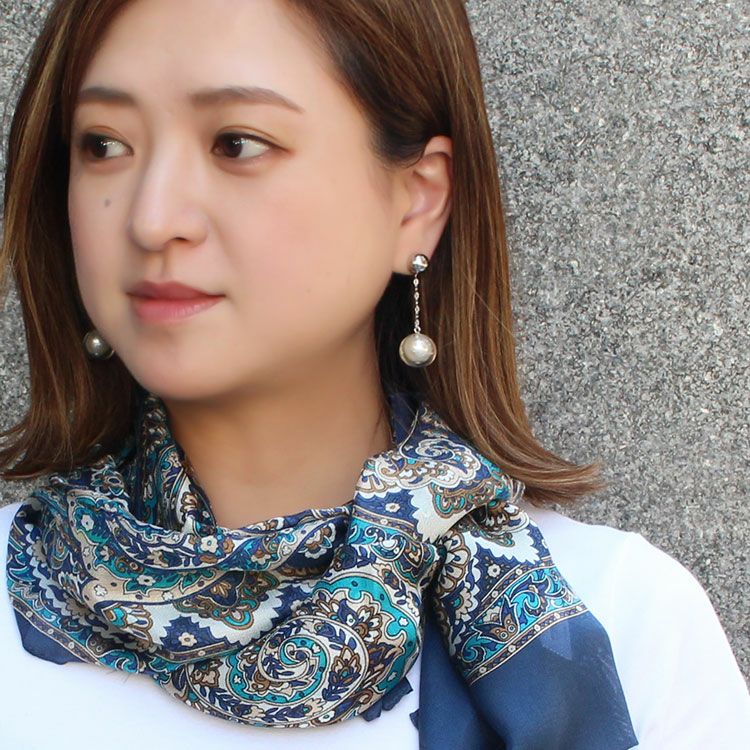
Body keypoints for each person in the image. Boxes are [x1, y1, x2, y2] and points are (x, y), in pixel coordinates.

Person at [0, 1, 748, 748]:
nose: (152, 218)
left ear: (417, 199)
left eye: (237, 143)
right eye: (104, 144)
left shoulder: (628, 622)